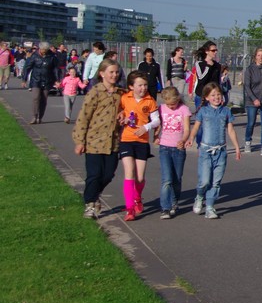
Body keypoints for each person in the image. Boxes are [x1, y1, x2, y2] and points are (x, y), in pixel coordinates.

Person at [72, 58, 124, 219]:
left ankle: (95, 194)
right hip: (94, 141)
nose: (114, 75)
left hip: (112, 142)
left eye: (116, 72)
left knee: (108, 174)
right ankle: (90, 203)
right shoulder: (95, 92)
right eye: (111, 72)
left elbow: (129, 110)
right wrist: (79, 141)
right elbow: (84, 117)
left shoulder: (121, 94)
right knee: (94, 174)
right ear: (102, 73)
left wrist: (124, 114)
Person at [187, 82, 241, 219]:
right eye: (213, 95)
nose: (216, 97)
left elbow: (230, 130)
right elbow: (196, 127)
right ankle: (199, 196)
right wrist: (191, 138)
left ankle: (210, 207)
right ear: (206, 97)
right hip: (206, 151)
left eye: (218, 94)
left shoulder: (226, 111)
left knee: (216, 183)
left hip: (221, 151)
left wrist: (236, 147)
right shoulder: (203, 111)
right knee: (204, 181)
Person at [118, 71, 160, 221]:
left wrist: (146, 127)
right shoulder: (124, 98)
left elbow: (156, 120)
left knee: (140, 178)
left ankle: (137, 197)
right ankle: (130, 209)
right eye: (140, 85)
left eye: (145, 85)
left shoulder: (150, 100)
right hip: (126, 139)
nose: (143, 88)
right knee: (129, 172)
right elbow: (119, 113)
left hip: (142, 141)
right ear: (131, 86)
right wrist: (122, 117)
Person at [154, 86, 191, 219]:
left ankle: (174, 202)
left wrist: (183, 140)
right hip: (164, 147)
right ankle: (165, 208)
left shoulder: (184, 109)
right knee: (167, 179)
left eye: (173, 104)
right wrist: (156, 136)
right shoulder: (161, 108)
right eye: (168, 104)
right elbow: (158, 125)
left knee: (177, 178)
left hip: (178, 149)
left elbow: (187, 129)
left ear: (178, 99)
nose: (171, 107)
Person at [23, 41, 59, 124]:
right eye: (43, 50)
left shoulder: (52, 57)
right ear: (40, 48)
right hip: (36, 79)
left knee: (44, 99)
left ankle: (40, 117)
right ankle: (34, 116)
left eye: (46, 50)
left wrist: (57, 80)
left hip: (47, 80)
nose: (44, 51)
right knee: (36, 97)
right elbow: (27, 67)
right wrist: (24, 79)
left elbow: (56, 69)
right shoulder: (34, 56)